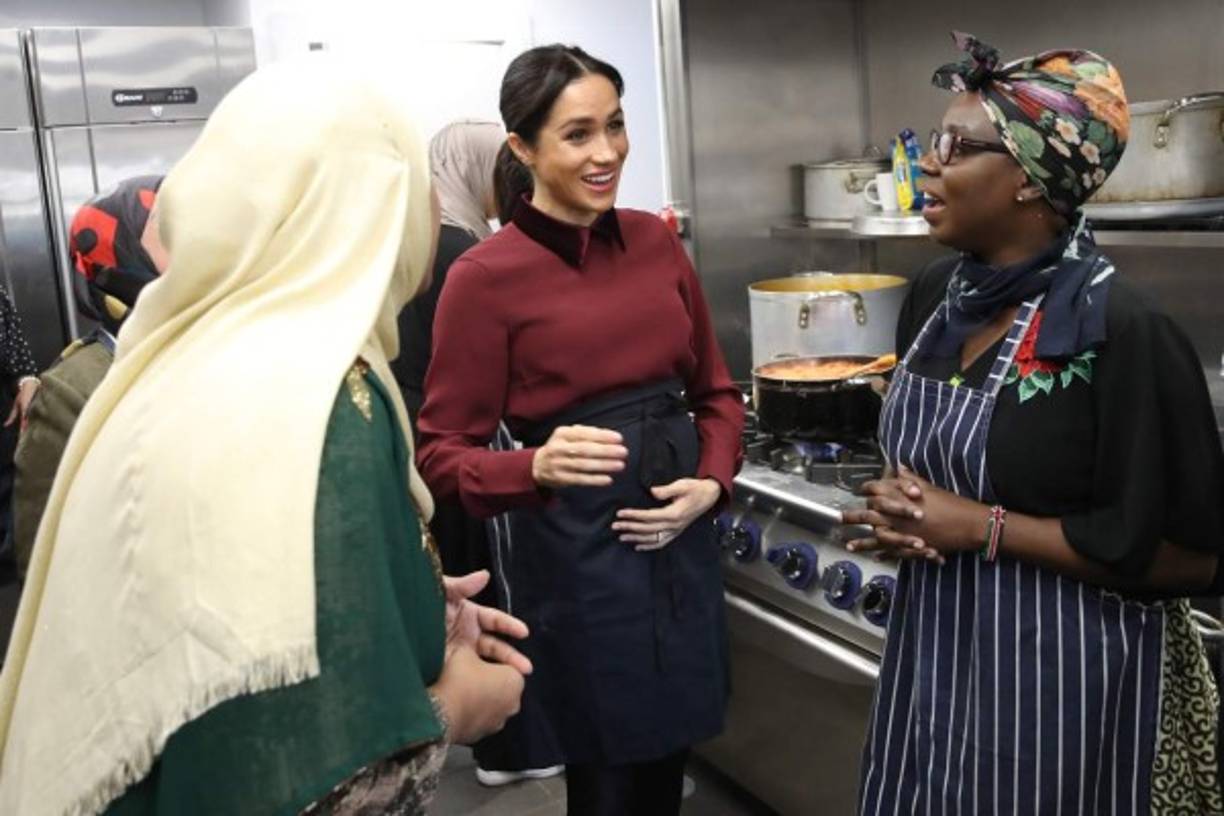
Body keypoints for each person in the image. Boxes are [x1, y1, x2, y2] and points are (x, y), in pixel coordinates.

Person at [0, 58, 530, 815]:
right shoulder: (321, 403)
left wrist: (410, 598)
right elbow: (312, 778)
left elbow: (238, 590)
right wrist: (458, 709)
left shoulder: (190, 357)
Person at [845, 32, 1224, 815]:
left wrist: (978, 526)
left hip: (1064, 695)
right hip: (933, 665)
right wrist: (902, 514)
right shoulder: (936, 297)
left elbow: (1193, 559)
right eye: (932, 142)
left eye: (957, 147)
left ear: (1027, 176)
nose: (928, 166)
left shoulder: (1124, 330)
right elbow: (933, 472)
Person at [417, 44, 744, 816]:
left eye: (616, 126)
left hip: (681, 550)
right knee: (606, 781)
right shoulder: (485, 278)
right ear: (523, 148)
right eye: (577, 134)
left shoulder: (656, 243)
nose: (607, 153)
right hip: (582, 566)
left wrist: (712, 482)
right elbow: (440, 455)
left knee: (668, 767)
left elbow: (717, 394)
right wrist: (531, 467)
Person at [12, 175, 166, 580]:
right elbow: (45, 561)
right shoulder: (73, 389)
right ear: (120, 257)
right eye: (166, 227)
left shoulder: (224, 349)